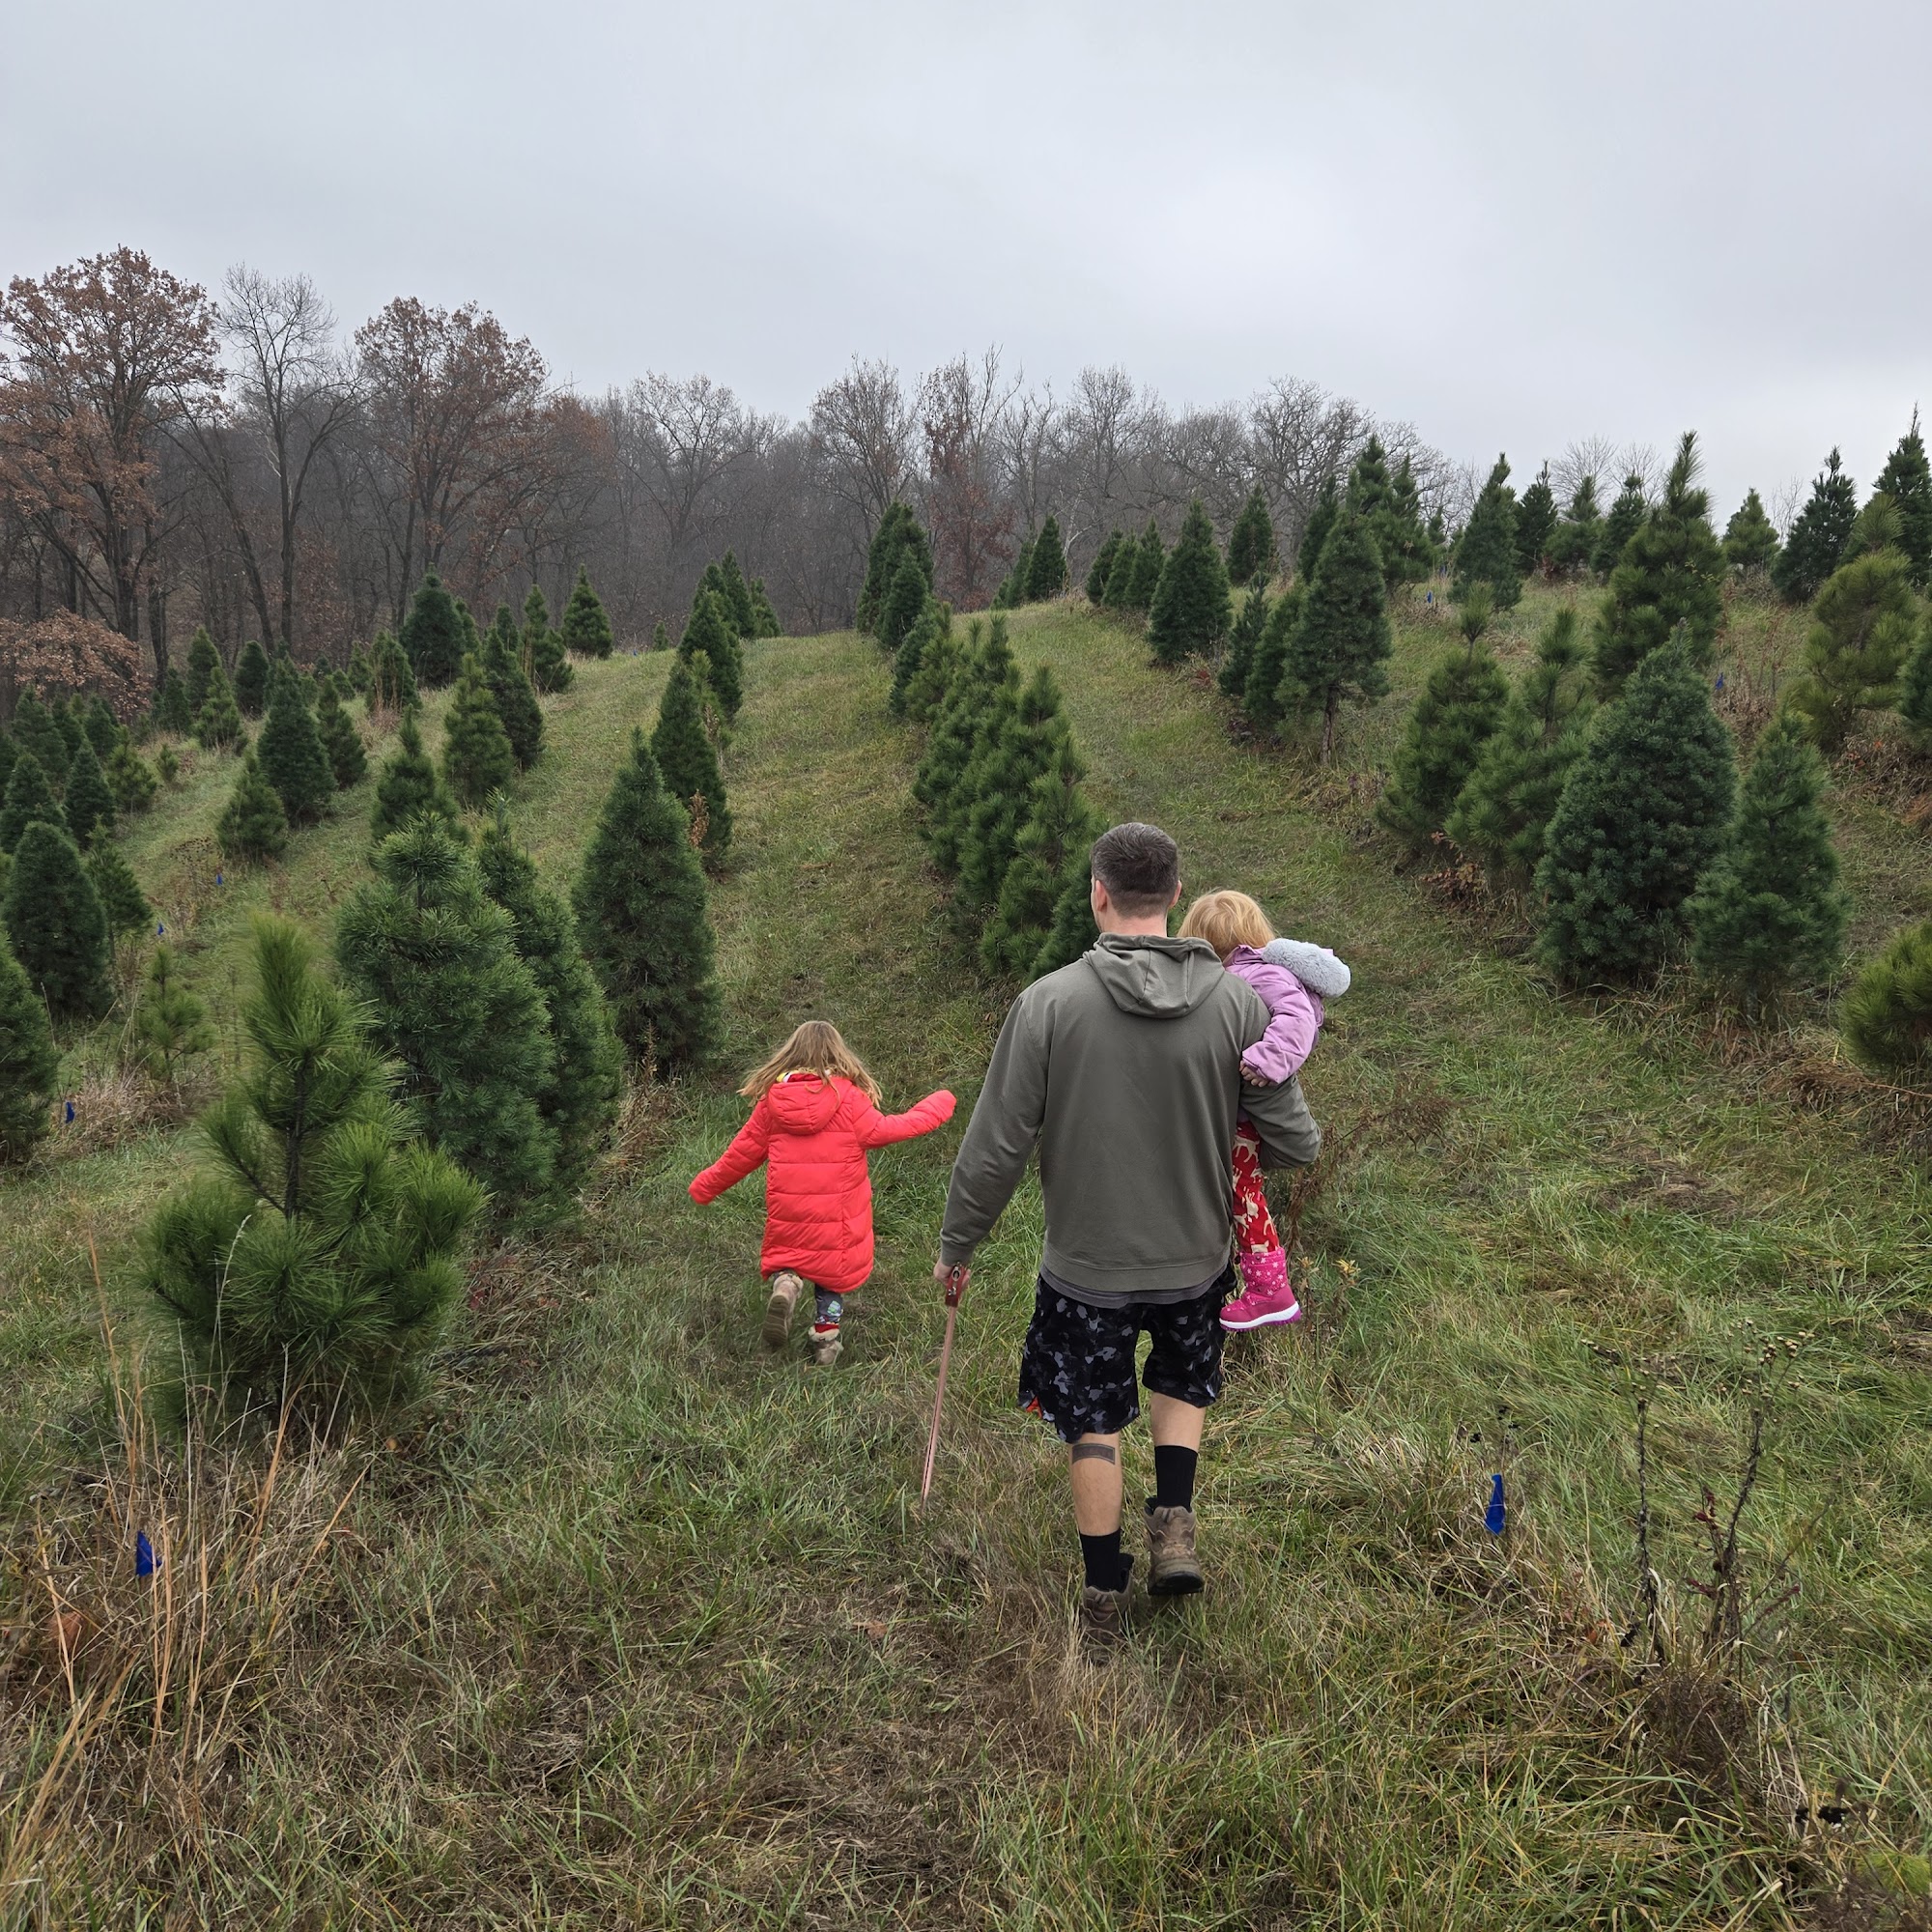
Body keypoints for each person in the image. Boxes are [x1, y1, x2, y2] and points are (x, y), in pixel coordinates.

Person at [935, 824, 1321, 1640]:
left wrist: (957, 1246)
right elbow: (1296, 1142)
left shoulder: (1048, 1004)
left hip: (1087, 1271)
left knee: (1094, 1422)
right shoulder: (1239, 1003)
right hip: (1196, 1262)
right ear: (1177, 897)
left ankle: (1103, 1595)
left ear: (1098, 894)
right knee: (1181, 1385)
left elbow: (996, 1147)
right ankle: (1173, 1522)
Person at [691, 1021, 954, 1365]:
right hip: (837, 1219)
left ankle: (786, 1286)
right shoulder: (848, 1099)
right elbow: (892, 1128)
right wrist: (939, 1103)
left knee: (792, 1259)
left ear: (790, 1055)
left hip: (790, 1213)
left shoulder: (773, 1102)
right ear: (838, 1054)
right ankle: (826, 1342)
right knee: (831, 1277)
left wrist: (704, 1187)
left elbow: (739, 1156)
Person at [1174, 890, 1350, 1332]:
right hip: (1237, 1115)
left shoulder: (1255, 974)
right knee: (1236, 1193)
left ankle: (1270, 1290)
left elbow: (1298, 1019)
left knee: (1242, 1194)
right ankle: (1253, 1280)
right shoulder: (1249, 973)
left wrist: (1266, 1060)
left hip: (1244, 1118)